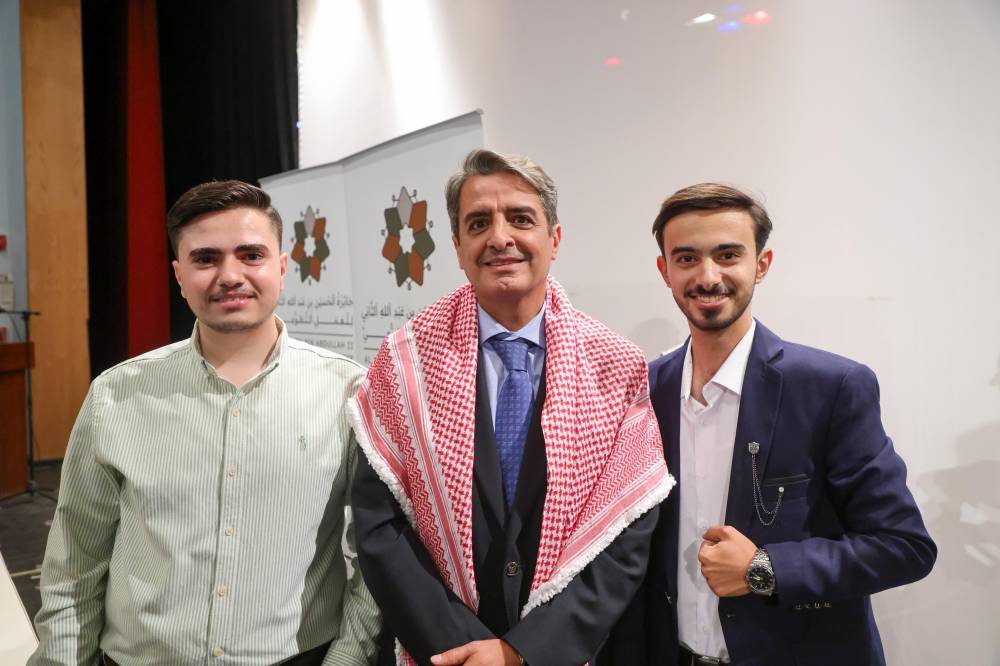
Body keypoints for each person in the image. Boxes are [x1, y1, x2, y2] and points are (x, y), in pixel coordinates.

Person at [30, 180, 381, 665]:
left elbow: (374, 553)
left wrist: (348, 659)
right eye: (205, 259)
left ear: (282, 267)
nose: (230, 275)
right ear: (179, 275)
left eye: (251, 255)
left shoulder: (348, 392)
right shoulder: (118, 395)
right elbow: (75, 559)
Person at [349, 149, 674, 666]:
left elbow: (626, 532)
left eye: (520, 219)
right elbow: (380, 525)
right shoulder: (403, 361)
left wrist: (525, 652)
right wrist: (461, 651)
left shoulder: (614, 365)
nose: (500, 238)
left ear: (554, 239)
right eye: (479, 223)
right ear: (457, 247)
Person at [624, 183, 936, 665]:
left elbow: (903, 546)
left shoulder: (831, 388)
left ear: (762, 264)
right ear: (665, 270)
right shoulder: (644, 390)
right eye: (687, 258)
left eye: (728, 255)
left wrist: (764, 569)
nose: (708, 276)